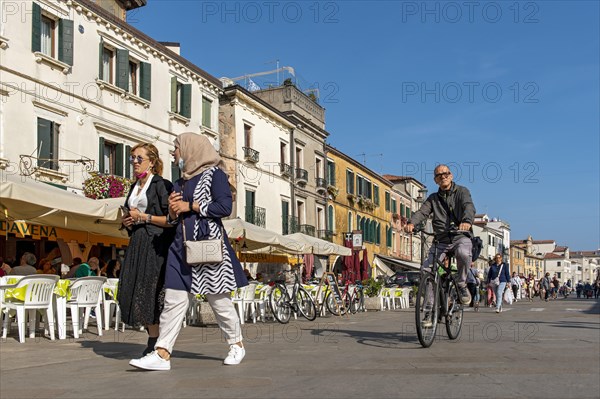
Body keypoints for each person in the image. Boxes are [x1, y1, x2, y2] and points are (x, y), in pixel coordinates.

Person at [129, 132, 249, 371]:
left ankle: (236, 344)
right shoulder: (180, 181)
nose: (173, 153)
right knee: (173, 300)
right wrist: (174, 211)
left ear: (190, 149)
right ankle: (162, 353)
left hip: (207, 245)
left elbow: (224, 206)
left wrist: (191, 205)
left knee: (219, 300)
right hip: (180, 246)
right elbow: (175, 217)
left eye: (176, 148)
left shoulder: (215, 174)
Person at [118, 142, 175, 357]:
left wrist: (143, 217)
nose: (134, 162)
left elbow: (171, 220)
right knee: (135, 290)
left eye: (138, 158)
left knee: (151, 291)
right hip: (137, 243)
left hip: (156, 244)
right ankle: (153, 338)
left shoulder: (161, 184)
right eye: (132, 158)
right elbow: (131, 214)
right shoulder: (134, 187)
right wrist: (128, 221)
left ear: (151, 162)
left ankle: (157, 341)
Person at [405, 164, 476, 306]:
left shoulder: (462, 192)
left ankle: (461, 283)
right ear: (435, 180)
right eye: (439, 175)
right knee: (426, 269)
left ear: (451, 176)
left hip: (460, 236)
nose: (443, 176)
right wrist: (411, 223)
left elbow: (469, 207)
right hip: (441, 240)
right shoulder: (433, 198)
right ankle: (429, 307)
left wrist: (466, 221)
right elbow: (422, 212)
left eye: (446, 173)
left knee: (463, 253)